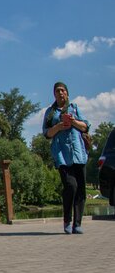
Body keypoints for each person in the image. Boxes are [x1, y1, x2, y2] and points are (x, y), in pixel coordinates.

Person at [43, 81, 91, 234]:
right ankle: (67, 220)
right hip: (62, 155)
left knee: (81, 190)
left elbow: (85, 126)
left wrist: (73, 122)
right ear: (54, 94)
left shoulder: (74, 108)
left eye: (63, 90)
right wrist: (58, 126)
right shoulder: (50, 113)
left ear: (67, 93)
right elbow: (47, 134)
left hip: (78, 153)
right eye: (57, 91)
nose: (60, 93)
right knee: (71, 186)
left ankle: (77, 224)